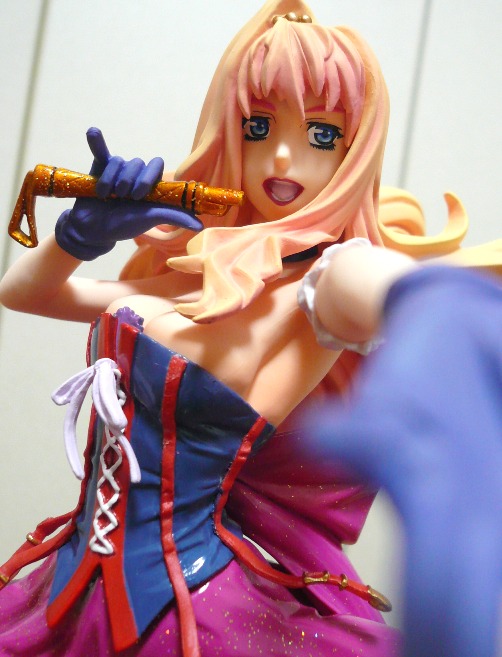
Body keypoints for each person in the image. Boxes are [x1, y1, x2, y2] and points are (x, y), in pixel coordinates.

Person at [0, 1, 500, 656]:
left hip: (194, 613)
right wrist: (76, 236)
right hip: (66, 589)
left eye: (322, 134)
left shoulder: (323, 280)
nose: (283, 156)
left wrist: (429, 302)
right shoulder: (210, 270)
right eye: (258, 126)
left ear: (355, 152)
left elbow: (365, 282)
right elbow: (25, 293)